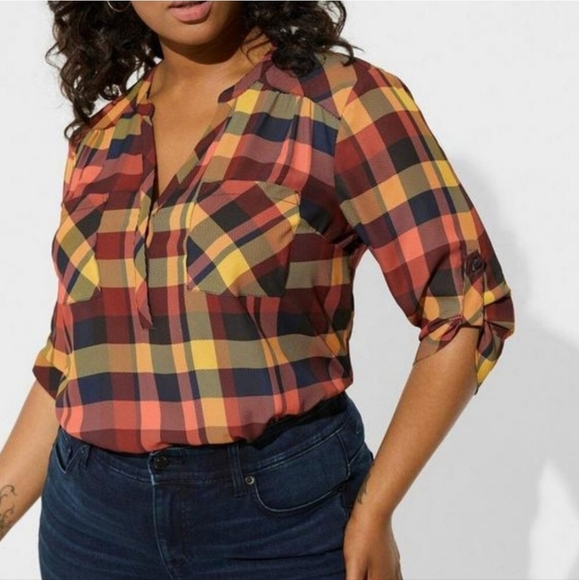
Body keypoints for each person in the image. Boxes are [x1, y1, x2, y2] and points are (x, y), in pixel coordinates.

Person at [0, 1, 515, 579]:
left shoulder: (340, 102)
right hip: (91, 532)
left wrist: (376, 510)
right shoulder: (101, 140)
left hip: (280, 525)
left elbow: (466, 309)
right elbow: (71, 362)